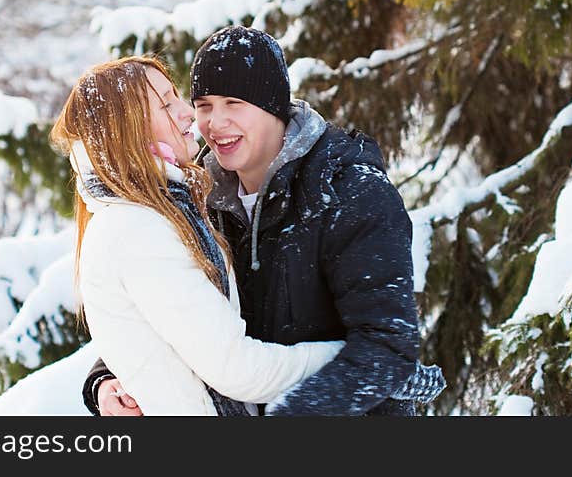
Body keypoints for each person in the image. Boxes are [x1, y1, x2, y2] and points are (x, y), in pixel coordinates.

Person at [83, 26, 444, 416]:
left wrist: (290, 415)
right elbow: (174, 313)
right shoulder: (199, 199)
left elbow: (387, 349)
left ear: (272, 105)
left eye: (233, 103)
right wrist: (106, 382)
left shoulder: (351, 193)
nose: (213, 123)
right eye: (203, 105)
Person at [51, 56, 344, 415]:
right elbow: (236, 369)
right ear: (126, 129)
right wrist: (347, 355)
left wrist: (105, 381)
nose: (188, 113)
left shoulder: (175, 203)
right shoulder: (139, 229)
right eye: (165, 103)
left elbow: (167, 337)